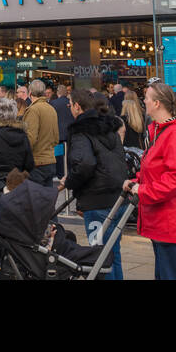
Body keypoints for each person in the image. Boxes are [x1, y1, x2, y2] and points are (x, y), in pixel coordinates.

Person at [126, 83, 176, 279]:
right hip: (164, 220)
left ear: (157, 104)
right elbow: (156, 170)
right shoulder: (162, 132)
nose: (144, 102)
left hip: (171, 221)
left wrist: (142, 190)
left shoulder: (175, 134)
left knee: (172, 274)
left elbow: (174, 178)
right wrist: (136, 180)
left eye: (147, 98)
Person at [64, 88, 129, 279]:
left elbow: (85, 163)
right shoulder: (110, 127)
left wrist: (70, 182)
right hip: (118, 198)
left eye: (70, 104)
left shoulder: (81, 131)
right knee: (113, 252)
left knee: (100, 256)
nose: (69, 107)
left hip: (97, 200)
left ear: (77, 106)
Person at [22, 78, 59, 185]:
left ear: (30, 93)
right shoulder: (51, 109)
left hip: (37, 162)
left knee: (34, 198)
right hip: (50, 159)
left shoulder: (33, 110)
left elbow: (30, 139)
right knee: (46, 198)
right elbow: (56, 138)